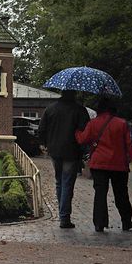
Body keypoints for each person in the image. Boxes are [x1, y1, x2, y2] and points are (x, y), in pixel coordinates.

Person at [76, 96, 132, 232]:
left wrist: (77, 131)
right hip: (119, 164)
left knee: (100, 194)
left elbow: (82, 140)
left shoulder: (93, 123)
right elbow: (131, 144)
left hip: (99, 164)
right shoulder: (122, 124)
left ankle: (99, 223)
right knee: (121, 193)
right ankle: (126, 221)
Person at [37, 90, 90, 229]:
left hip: (55, 150)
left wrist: (45, 144)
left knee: (59, 181)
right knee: (67, 183)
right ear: (75, 94)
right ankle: (64, 217)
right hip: (72, 152)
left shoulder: (51, 108)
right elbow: (86, 132)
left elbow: (41, 129)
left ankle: (62, 214)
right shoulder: (79, 109)